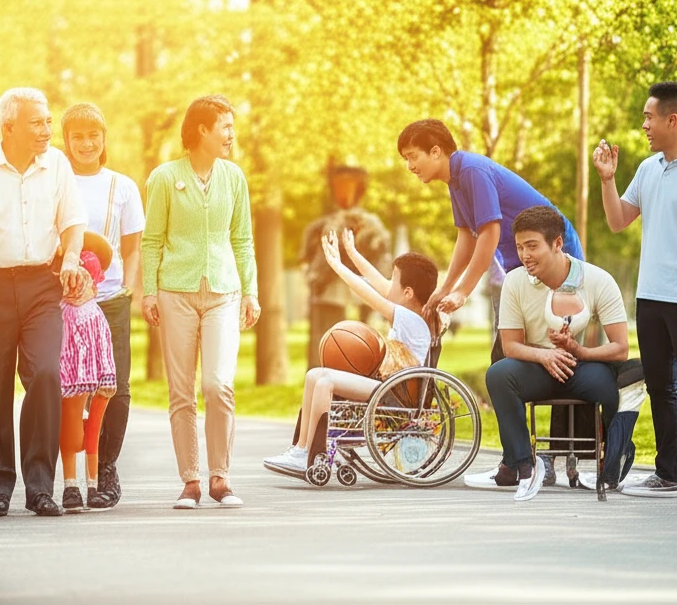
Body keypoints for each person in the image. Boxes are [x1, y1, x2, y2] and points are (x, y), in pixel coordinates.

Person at [0, 87, 86, 518]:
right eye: (37, 123)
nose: (48, 129)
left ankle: (41, 486)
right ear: (8, 128)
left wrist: (74, 259)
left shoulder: (58, 165)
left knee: (45, 373)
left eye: (48, 121)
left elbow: (73, 225)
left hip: (42, 284)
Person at [593, 81, 677, 502]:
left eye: (649, 117)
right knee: (660, 387)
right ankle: (669, 473)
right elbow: (619, 220)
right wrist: (607, 179)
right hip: (650, 298)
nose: (644, 125)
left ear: (673, 119)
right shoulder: (649, 168)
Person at [141, 94, 261, 509]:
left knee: (217, 384)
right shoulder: (163, 178)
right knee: (181, 391)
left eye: (231, 126)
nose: (231, 134)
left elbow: (243, 240)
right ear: (201, 130)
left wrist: (251, 292)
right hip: (175, 292)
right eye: (224, 126)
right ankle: (191, 481)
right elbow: (152, 240)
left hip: (223, 294)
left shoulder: (234, 178)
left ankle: (220, 478)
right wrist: (150, 291)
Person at [464, 206, 628, 501]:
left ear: (557, 244)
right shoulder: (515, 281)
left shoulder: (597, 280)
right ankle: (526, 467)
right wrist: (545, 356)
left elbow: (620, 348)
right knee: (499, 374)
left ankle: (610, 466)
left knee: (613, 390)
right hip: (537, 367)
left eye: (532, 246)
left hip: (581, 366)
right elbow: (511, 346)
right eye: (519, 247)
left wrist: (578, 350)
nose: (525, 255)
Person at [396, 119, 583, 363]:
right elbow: (467, 236)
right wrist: (446, 288)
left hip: (555, 255)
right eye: (405, 159)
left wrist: (463, 292)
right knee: (508, 354)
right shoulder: (456, 181)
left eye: (412, 156)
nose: (409, 166)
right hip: (524, 269)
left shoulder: (472, 171)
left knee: (544, 347)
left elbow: (489, 233)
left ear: (435, 152)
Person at [263, 229, 438, 475]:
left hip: (392, 393)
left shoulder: (410, 318)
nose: (388, 285)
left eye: (394, 280)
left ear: (408, 293)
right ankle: (301, 449)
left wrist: (337, 266)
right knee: (314, 374)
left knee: (325, 380)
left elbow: (368, 292)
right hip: (387, 387)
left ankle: (315, 454)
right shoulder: (414, 313)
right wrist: (352, 254)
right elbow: (377, 283)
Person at [61, 102, 145, 509]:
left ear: (104, 139)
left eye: (93, 135)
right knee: (69, 388)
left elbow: (132, 249)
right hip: (65, 302)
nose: (86, 144)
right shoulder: (57, 183)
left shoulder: (122, 187)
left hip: (110, 300)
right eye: (77, 136)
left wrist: (128, 288)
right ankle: (72, 475)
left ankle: (106, 469)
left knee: (114, 387)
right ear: (67, 141)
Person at [58, 247, 116, 512]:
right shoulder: (63, 314)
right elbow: (62, 349)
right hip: (71, 383)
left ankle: (92, 487)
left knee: (92, 433)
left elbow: (104, 345)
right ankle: (71, 485)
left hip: (98, 381)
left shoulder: (95, 315)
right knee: (70, 432)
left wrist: (107, 377)